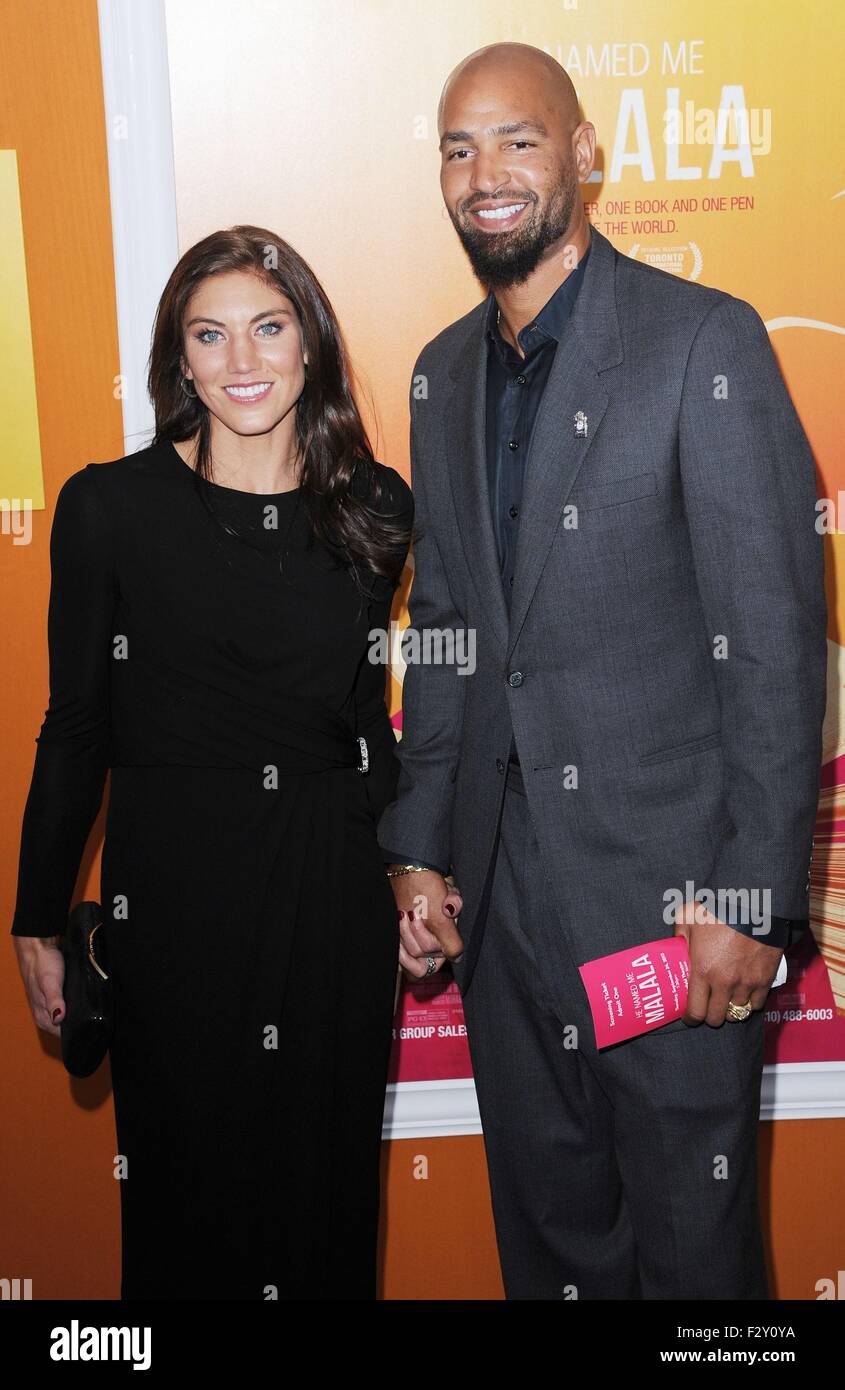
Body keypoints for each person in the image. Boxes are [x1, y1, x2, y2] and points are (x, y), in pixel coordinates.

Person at [378, 43, 826, 1299]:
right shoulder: (440, 371)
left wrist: (748, 901)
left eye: (517, 140)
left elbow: (776, 650)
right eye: (458, 149)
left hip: (672, 913)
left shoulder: (703, 343)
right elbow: (453, 627)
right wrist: (421, 850)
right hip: (506, 917)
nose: (486, 175)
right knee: (554, 1250)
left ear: (583, 154)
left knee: (697, 1264)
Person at [12, 225, 413, 1300]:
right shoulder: (109, 509)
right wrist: (37, 914)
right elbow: (77, 724)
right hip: (175, 901)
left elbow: (364, 724)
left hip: (330, 894)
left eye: (268, 327)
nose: (242, 360)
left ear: (309, 345)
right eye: (210, 334)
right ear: (178, 359)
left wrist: (413, 869)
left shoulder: (372, 509)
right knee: (187, 1200)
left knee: (323, 1199)